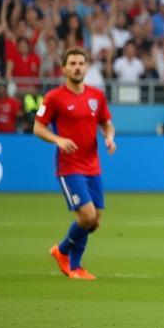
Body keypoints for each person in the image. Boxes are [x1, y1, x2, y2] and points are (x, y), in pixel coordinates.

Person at [35, 48, 116, 281]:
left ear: (86, 66)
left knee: (95, 222)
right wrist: (58, 139)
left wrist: (109, 137)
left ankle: (62, 252)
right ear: (64, 68)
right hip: (69, 167)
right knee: (87, 216)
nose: (77, 67)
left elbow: (107, 123)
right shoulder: (53, 98)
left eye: (81, 63)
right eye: (72, 63)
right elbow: (38, 127)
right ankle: (74, 265)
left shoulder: (96, 96)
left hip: (93, 165)